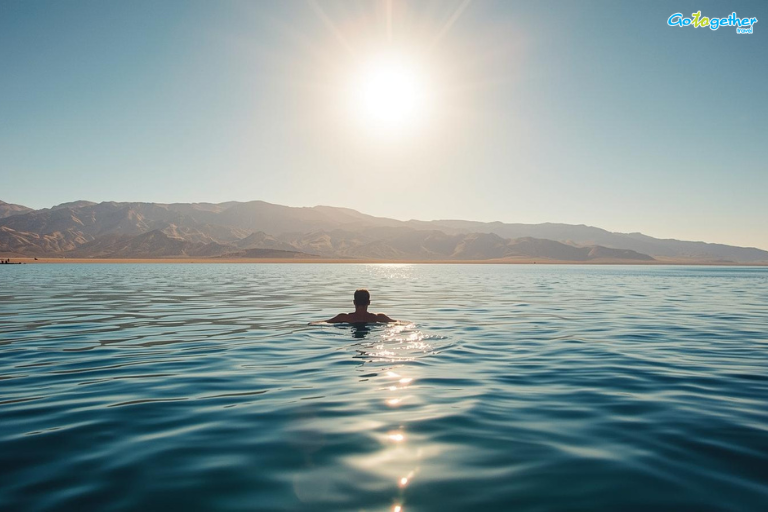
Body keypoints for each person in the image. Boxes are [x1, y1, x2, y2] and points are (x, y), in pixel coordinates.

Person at [326, 289, 396, 324]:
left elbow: (322, 323)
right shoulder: (379, 317)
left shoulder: (344, 317)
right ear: (369, 302)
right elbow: (398, 323)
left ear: (354, 302)